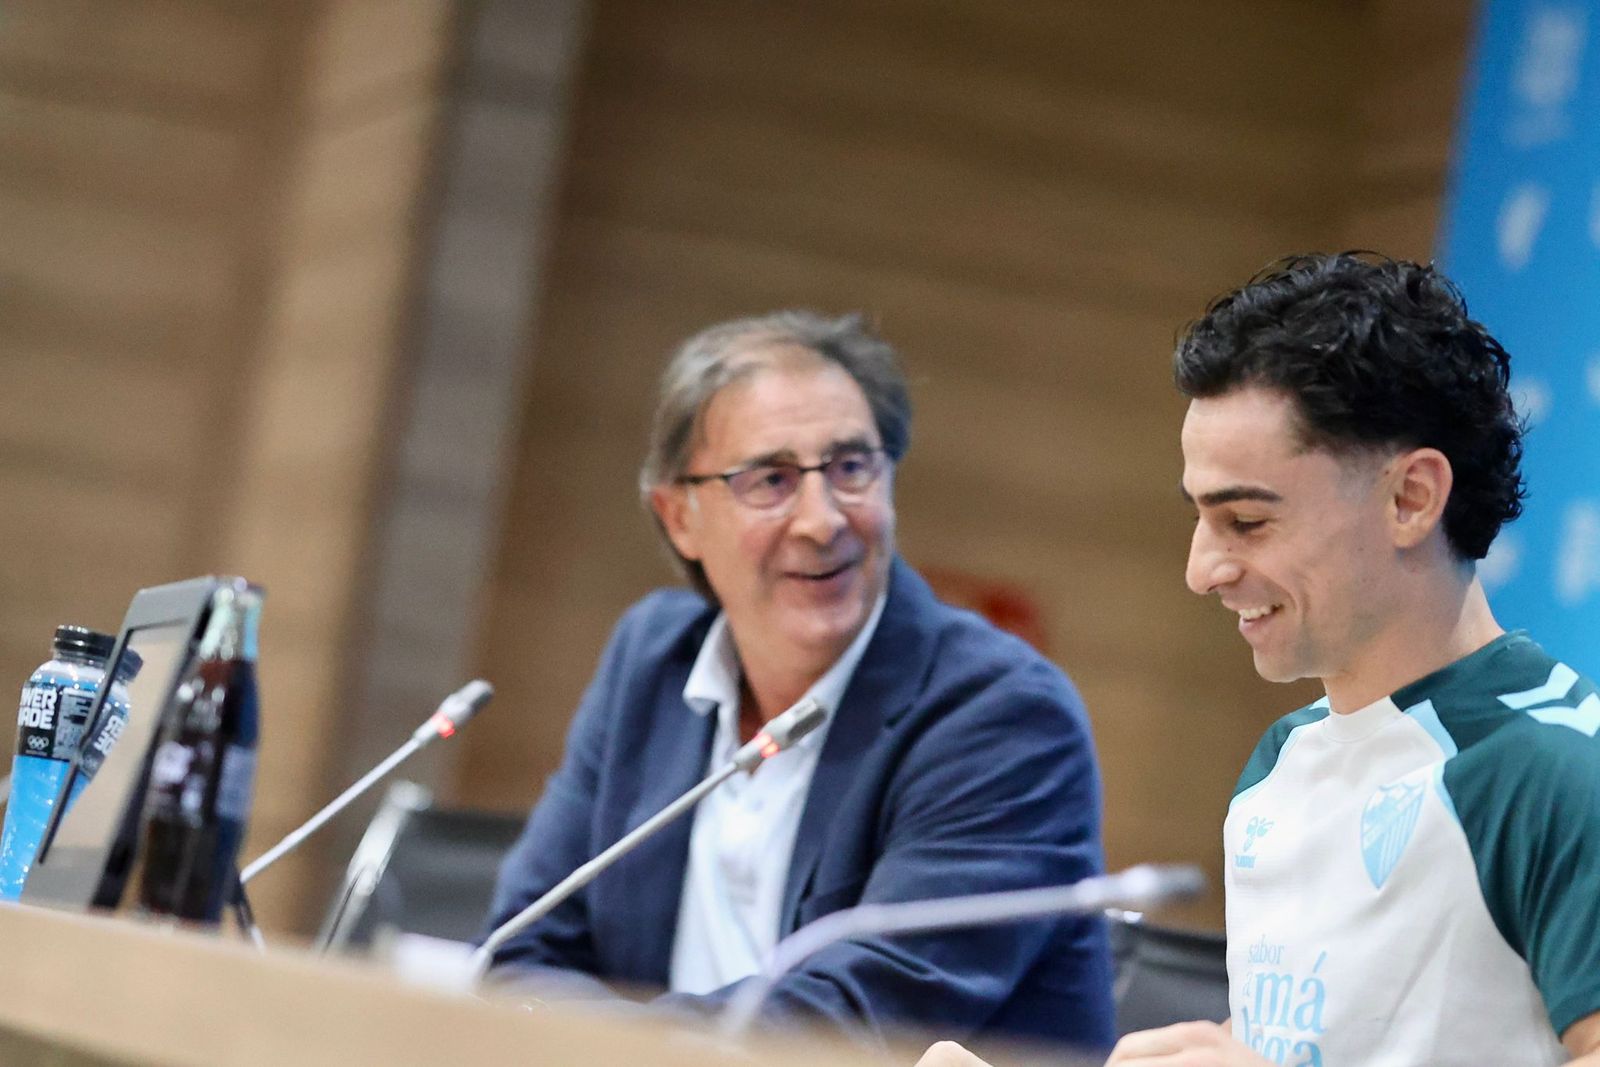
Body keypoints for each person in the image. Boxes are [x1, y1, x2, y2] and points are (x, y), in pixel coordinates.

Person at [919, 254, 1600, 1067]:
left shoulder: (1560, 771)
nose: (1202, 569)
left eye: (1245, 520)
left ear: (1411, 497)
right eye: (1202, 519)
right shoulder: (1282, 763)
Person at [481, 310, 1114, 1048]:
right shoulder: (652, 660)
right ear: (679, 515)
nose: (821, 520)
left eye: (850, 468)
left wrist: (616, 1045)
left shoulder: (1004, 716)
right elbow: (522, 949)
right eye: (771, 480)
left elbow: (856, 1022)